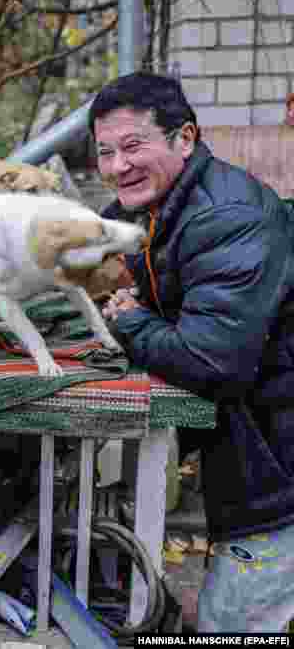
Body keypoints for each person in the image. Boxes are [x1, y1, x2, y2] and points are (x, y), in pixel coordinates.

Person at [93, 72, 294, 632]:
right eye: (105, 152)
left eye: (133, 146)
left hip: (279, 463)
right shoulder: (161, 208)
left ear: (184, 139)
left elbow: (212, 361)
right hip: (255, 446)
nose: (117, 166)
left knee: (228, 626)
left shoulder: (225, 216)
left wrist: (129, 319)